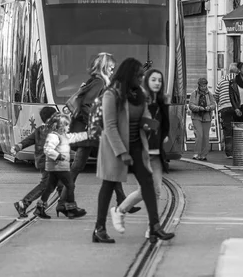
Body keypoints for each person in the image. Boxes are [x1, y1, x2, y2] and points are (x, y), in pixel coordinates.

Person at [93, 58, 174, 244]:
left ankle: (155, 227)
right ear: (129, 75)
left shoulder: (139, 94)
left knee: (148, 184)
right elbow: (110, 126)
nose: (141, 78)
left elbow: (144, 115)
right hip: (115, 147)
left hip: (137, 145)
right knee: (109, 185)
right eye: (138, 75)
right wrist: (122, 153)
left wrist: (150, 125)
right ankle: (99, 228)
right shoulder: (111, 94)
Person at [59, 53, 139, 217]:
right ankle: (64, 202)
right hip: (91, 131)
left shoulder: (97, 81)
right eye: (110, 67)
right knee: (84, 167)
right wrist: (98, 119)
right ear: (104, 66)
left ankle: (122, 201)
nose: (112, 70)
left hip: (90, 131)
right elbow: (87, 105)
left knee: (100, 165)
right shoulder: (99, 81)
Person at [116, 68, 170, 238]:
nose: (157, 83)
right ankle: (150, 226)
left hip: (156, 153)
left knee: (155, 191)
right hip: (143, 152)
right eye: (153, 79)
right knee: (148, 191)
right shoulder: (139, 101)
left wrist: (164, 136)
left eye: (159, 80)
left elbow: (163, 124)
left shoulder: (162, 101)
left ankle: (123, 212)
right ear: (146, 81)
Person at [35, 113, 88, 219]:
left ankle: (40, 208)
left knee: (50, 187)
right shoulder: (54, 136)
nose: (69, 127)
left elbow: (75, 137)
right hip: (57, 166)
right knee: (70, 185)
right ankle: (70, 208)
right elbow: (48, 149)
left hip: (58, 166)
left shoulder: (62, 135)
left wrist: (88, 134)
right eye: (67, 125)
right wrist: (58, 156)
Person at [11, 106, 58, 218]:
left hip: (45, 161)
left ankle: (40, 207)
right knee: (45, 185)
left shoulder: (41, 130)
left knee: (56, 184)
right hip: (47, 162)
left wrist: (17, 147)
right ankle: (24, 203)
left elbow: (28, 141)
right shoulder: (50, 131)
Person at [214, 63, 239, 158]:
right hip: (237, 107)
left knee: (227, 130)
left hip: (224, 107)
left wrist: (219, 104)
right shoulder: (240, 80)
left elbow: (216, 95)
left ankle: (229, 153)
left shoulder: (222, 80)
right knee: (238, 129)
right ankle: (238, 150)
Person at [188, 78, 215, 161]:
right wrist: (199, 108)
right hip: (197, 117)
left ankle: (203, 155)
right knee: (199, 135)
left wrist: (208, 108)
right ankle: (196, 153)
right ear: (198, 85)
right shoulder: (194, 94)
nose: (203, 87)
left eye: (205, 85)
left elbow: (214, 105)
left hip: (207, 117)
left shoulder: (209, 94)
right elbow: (191, 105)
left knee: (206, 136)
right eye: (202, 86)